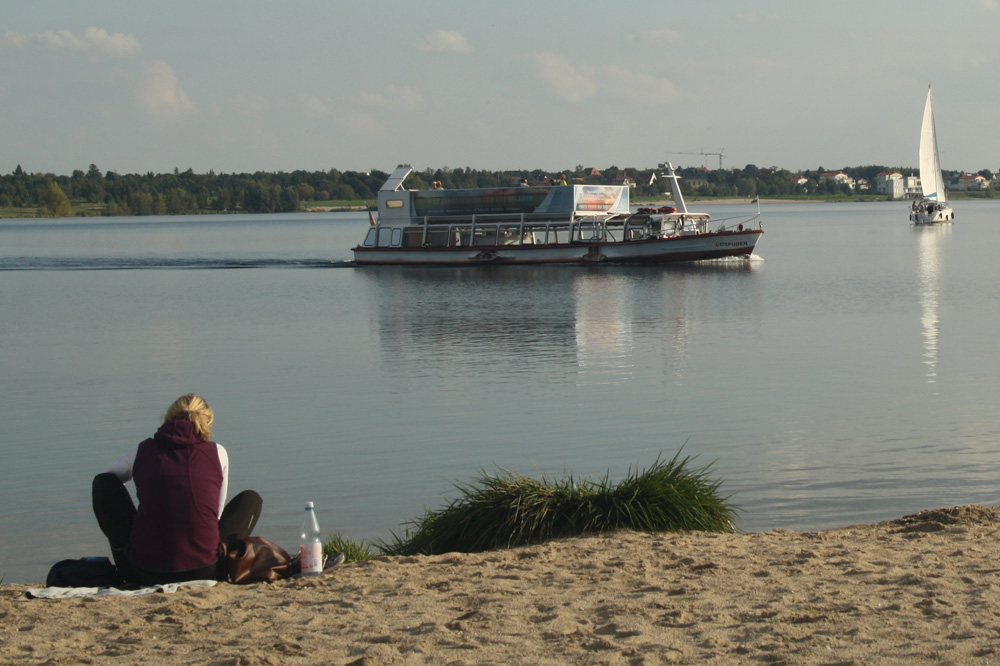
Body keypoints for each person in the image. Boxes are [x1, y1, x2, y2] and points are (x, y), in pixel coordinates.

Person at [92, 394, 262, 585]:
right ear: (207, 422)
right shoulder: (217, 453)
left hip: (141, 571)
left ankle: (124, 555)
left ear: (168, 417)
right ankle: (228, 565)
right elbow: (216, 514)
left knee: (102, 483)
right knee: (251, 499)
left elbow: (109, 480)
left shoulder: (141, 450)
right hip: (206, 570)